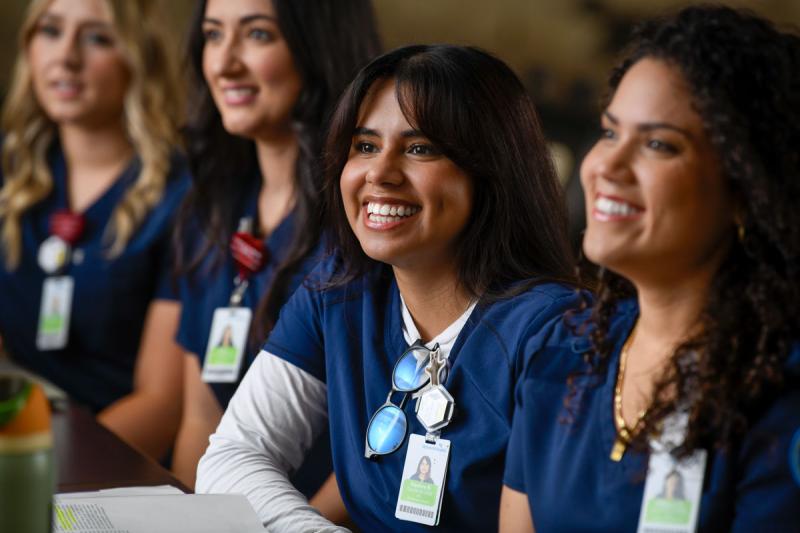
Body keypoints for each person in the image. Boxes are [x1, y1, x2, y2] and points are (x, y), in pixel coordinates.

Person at [196, 44, 581, 532]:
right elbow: (234, 453)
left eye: (420, 149)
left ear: (492, 170)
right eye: (365, 146)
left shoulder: (553, 331)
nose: (379, 173)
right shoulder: (338, 291)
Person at [500, 6, 800, 532]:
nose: (606, 166)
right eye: (611, 133)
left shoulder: (779, 397)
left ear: (747, 191)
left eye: (658, 144)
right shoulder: (558, 357)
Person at [171, 0, 381, 497]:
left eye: (258, 35)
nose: (224, 63)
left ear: (317, 49)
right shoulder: (211, 207)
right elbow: (200, 414)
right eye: (213, 35)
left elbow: (379, 453)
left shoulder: (369, 222)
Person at [0, 0, 189, 461]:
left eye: (97, 38)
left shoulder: (184, 197)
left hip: (109, 464)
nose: (66, 56)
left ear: (137, 59)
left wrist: (37, 465)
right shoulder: (12, 172)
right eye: (50, 30)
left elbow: (161, 405)